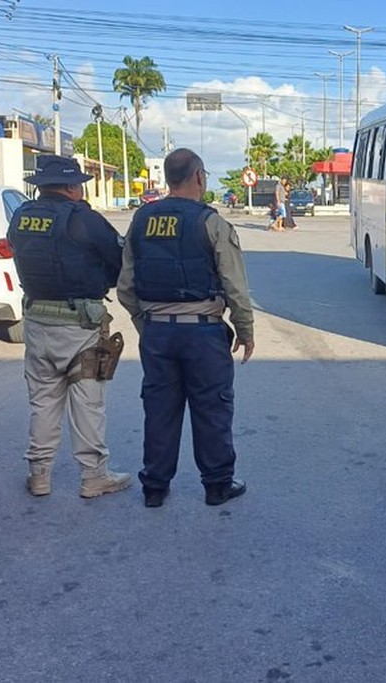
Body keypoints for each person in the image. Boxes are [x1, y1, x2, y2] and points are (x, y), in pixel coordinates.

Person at [117, 148, 255, 508]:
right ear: (198, 177)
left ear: (167, 179)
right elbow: (235, 285)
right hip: (203, 334)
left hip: (157, 333)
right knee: (212, 408)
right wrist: (245, 329)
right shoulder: (211, 222)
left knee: (159, 409)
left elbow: (126, 287)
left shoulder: (141, 220)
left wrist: (146, 324)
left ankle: (155, 488)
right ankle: (217, 486)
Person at [6, 154, 131, 499]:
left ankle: (39, 476)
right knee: (88, 402)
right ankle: (94, 477)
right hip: (80, 326)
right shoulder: (84, 220)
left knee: (43, 401)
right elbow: (120, 261)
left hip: (36, 321)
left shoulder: (21, 216)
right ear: (73, 187)